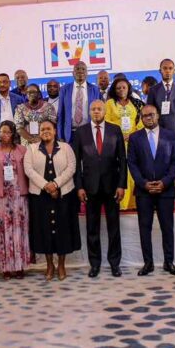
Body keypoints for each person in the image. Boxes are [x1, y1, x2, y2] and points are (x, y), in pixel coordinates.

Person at [73, 101, 126, 278]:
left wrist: (121, 185)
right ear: (89, 112)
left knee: (114, 228)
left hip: (112, 187)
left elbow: (122, 160)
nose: (96, 112)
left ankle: (115, 264)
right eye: (93, 109)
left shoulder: (115, 130)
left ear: (104, 111)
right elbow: (76, 163)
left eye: (99, 109)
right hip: (90, 187)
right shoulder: (80, 132)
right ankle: (94, 264)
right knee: (92, 228)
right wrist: (79, 187)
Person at [127, 105, 175, 276]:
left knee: (167, 227)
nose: (148, 118)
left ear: (158, 116)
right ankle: (148, 263)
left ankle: (169, 262)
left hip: (165, 190)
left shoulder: (170, 135)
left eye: (151, 115)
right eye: (144, 116)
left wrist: (165, 182)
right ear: (141, 118)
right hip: (144, 191)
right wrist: (143, 183)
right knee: (145, 228)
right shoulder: (135, 138)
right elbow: (132, 163)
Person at [24, 119, 80, 281]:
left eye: (49, 128)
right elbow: (28, 170)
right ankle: (49, 265)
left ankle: (61, 265)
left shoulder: (66, 147)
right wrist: (46, 186)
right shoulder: (31, 149)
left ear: (55, 131)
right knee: (45, 230)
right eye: (42, 129)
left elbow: (72, 167)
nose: (45, 132)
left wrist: (55, 184)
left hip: (64, 195)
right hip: (40, 196)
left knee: (63, 230)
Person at [0, 121, 30, 279]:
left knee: (19, 231)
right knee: (1, 231)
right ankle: (5, 267)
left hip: (19, 198)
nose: (4, 135)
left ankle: (20, 266)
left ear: (13, 134)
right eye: (2, 132)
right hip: (0, 198)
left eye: (7, 132)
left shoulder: (22, 150)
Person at [105, 76, 145, 210]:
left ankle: (134, 203)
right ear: (114, 90)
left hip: (133, 142)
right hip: (115, 143)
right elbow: (107, 121)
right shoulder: (110, 103)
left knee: (134, 171)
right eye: (118, 88)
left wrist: (133, 135)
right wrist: (118, 135)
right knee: (121, 171)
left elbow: (142, 120)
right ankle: (121, 203)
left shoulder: (136, 103)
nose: (121, 90)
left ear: (128, 88)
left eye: (124, 87)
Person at [58, 61, 101, 143]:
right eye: (77, 69)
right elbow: (61, 114)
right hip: (70, 134)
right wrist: (60, 137)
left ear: (87, 73)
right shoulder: (64, 89)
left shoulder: (95, 90)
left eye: (83, 69)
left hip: (89, 133)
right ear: (73, 73)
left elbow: (99, 113)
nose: (80, 71)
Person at [146, 59, 175, 136]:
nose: (168, 71)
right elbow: (150, 113)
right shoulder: (153, 90)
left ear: (174, 71)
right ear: (160, 71)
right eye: (165, 68)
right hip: (160, 132)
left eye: (170, 68)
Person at [0, 73, 26, 148]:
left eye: (5, 82)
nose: (2, 84)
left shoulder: (19, 99)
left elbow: (24, 121)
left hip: (15, 138)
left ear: (10, 83)